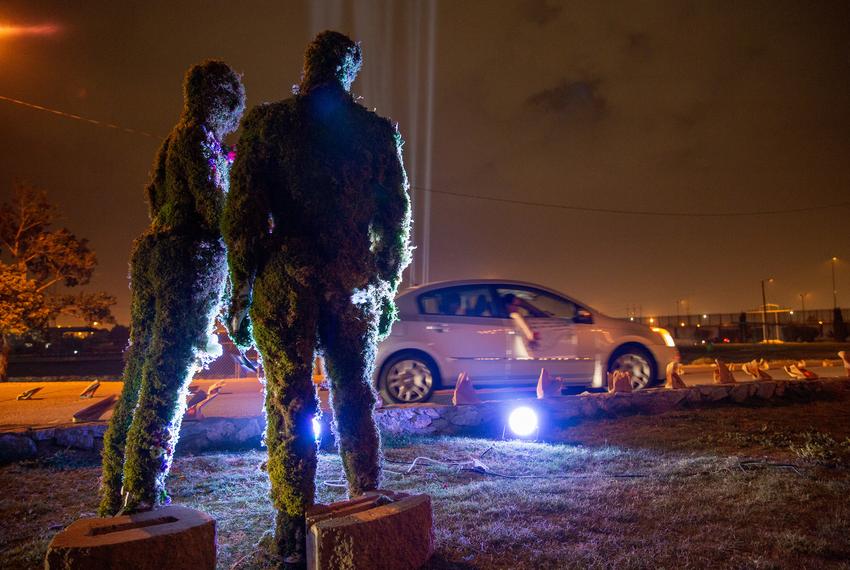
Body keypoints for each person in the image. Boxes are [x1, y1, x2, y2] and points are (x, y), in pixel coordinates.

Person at [222, 31, 411, 566]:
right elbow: (393, 222)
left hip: (288, 272)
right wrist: (384, 284)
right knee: (354, 393)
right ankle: (366, 497)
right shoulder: (377, 132)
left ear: (308, 66)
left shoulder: (266, 124)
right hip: (352, 276)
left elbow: (242, 221)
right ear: (350, 71)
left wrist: (241, 292)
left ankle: (291, 522)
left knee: (289, 399)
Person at [99, 60, 245, 515]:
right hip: (185, 261)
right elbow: (212, 208)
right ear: (222, 100)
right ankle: (143, 489)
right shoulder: (198, 138)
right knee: (168, 377)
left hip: (153, 252)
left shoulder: (172, 140)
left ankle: (114, 486)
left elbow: (155, 198)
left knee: (141, 371)